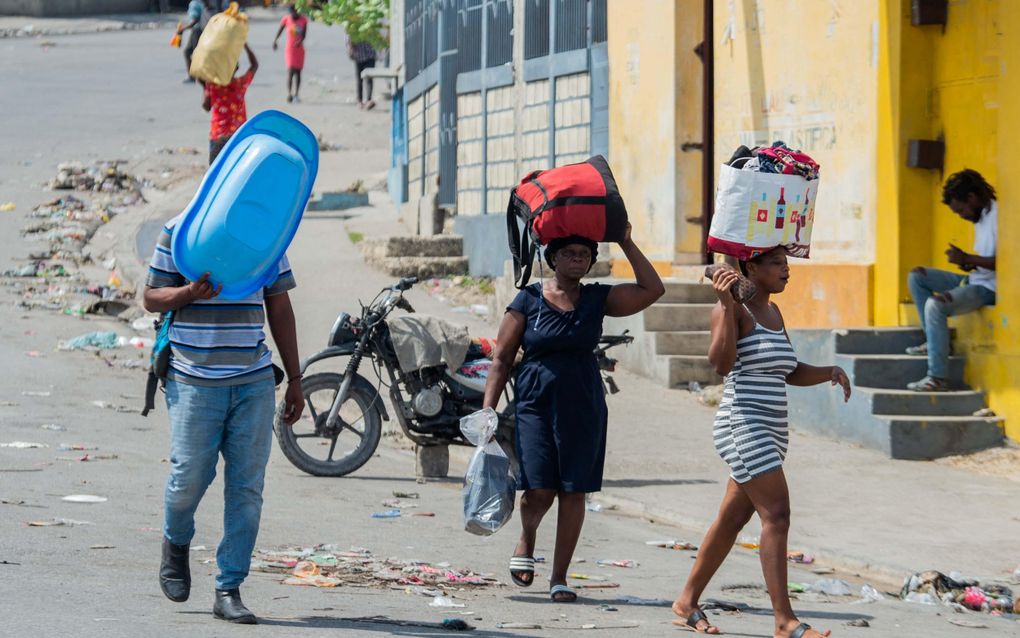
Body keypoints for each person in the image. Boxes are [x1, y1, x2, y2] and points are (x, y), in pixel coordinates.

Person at [671, 249, 851, 637]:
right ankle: (784, 621)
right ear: (751, 268)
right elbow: (720, 365)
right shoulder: (732, 310)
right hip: (743, 425)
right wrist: (724, 303)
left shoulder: (774, 314)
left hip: (770, 429)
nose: (786, 269)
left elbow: (789, 370)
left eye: (786, 263)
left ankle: (686, 600)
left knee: (733, 519)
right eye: (776, 263)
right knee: (777, 515)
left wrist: (829, 372)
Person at [483, 226, 665, 603]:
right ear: (553, 259)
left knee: (573, 490)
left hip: (583, 404)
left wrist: (627, 241)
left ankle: (560, 577)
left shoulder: (598, 299)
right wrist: (487, 410)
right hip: (534, 402)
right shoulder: (529, 299)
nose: (578, 260)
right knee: (538, 487)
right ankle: (527, 538)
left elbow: (652, 290)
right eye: (570, 254)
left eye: (585, 255)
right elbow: (501, 358)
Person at [144, 218, 305, 625]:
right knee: (188, 478)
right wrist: (188, 293)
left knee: (246, 489)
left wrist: (296, 380)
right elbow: (150, 296)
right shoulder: (180, 231)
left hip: (252, 380)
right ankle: (176, 544)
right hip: (193, 379)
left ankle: (228, 587)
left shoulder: (268, 230)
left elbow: (279, 303)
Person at [905, 169, 997, 392]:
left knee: (935, 305)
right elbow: (986, 260)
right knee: (917, 276)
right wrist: (966, 262)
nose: (962, 215)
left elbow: (1008, 263)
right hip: (976, 278)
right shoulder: (981, 217)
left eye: (961, 210)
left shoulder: (1002, 216)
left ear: (972, 198)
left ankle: (937, 377)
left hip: (990, 288)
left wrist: (967, 258)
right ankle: (934, 342)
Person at [202, 44, 258, 164]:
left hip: (217, 136)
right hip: (237, 136)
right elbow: (254, 65)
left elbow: (206, 106)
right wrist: (245, 45)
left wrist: (205, 87)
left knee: (216, 173)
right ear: (236, 68)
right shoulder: (240, 84)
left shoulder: (213, 85)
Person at [273, 3, 308, 103]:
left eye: (296, 11)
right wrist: (275, 40)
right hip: (290, 49)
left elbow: (304, 35)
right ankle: (289, 94)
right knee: (290, 71)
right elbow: (280, 30)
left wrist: (300, 41)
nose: (294, 13)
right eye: (292, 12)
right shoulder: (286, 19)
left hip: (299, 49)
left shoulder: (303, 20)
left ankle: (297, 94)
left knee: (298, 72)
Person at [177, 0, 214, 83]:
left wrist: (183, 29)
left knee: (193, 54)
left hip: (197, 31)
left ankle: (197, 77)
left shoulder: (194, 3)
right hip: (203, 30)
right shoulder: (201, 2)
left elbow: (195, 20)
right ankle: (194, 76)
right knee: (190, 52)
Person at [346, 35, 376, 109]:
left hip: (370, 54)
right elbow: (348, 37)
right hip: (358, 55)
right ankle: (359, 100)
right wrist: (350, 48)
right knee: (359, 79)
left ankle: (369, 100)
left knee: (369, 77)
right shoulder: (352, 26)